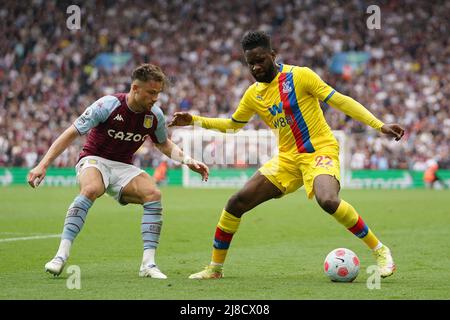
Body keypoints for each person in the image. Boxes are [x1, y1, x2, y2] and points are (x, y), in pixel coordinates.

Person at [169, 31, 405, 280]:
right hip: (287, 159)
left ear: (273, 55)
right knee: (236, 202)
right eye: (250, 63)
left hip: (319, 151)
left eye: (260, 60)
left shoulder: (300, 76)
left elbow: (340, 101)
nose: (256, 67)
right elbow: (233, 125)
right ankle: (214, 269)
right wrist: (194, 120)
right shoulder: (253, 94)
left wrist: (379, 125)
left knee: (328, 200)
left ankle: (380, 251)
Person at [27, 63, 209, 279]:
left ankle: (148, 265)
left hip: (123, 166)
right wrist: (43, 164)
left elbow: (163, 144)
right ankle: (60, 256)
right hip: (94, 159)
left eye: (158, 93)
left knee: (154, 194)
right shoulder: (108, 104)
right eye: (151, 93)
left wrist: (188, 161)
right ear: (135, 88)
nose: (155, 98)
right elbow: (72, 132)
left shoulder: (155, 116)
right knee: (92, 188)